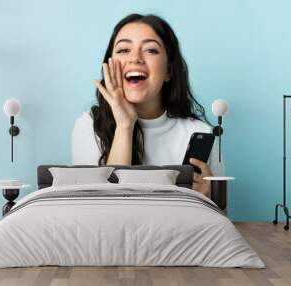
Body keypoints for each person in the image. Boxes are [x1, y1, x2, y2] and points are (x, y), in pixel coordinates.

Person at [72, 13, 223, 196]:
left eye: (151, 50)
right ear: (109, 66)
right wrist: (124, 126)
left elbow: (222, 218)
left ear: (168, 70)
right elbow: (100, 208)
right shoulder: (88, 126)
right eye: (123, 50)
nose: (135, 58)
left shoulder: (201, 133)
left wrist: (206, 200)